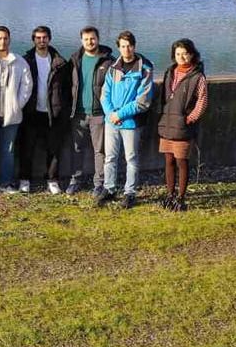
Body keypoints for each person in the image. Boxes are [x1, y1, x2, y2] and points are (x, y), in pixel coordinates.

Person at [98, 31, 155, 209]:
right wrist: (110, 114)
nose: (126, 49)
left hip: (131, 123)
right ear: (118, 47)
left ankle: (130, 192)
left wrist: (119, 115)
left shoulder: (144, 69)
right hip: (111, 121)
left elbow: (142, 102)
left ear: (134, 46)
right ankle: (109, 188)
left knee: (131, 158)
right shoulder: (113, 68)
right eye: (122, 46)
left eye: (129, 45)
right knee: (110, 157)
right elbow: (104, 94)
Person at [0, 26, 34, 194]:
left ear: (9, 40)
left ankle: (6, 183)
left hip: (11, 115)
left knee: (8, 151)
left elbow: (27, 85)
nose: (2, 41)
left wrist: (17, 104)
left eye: (5, 38)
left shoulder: (19, 61)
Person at [157, 39, 208, 211]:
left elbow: (202, 101)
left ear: (192, 54)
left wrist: (189, 119)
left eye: (185, 53)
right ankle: (170, 194)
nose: (182, 57)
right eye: (178, 54)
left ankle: (181, 197)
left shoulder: (198, 76)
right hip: (167, 124)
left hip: (183, 127)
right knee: (168, 161)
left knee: (181, 162)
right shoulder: (169, 72)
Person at [19, 25, 70, 194]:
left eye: (44, 37)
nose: (42, 41)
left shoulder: (59, 62)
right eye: (38, 38)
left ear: (49, 39)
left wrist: (62, 109)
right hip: (31, 112)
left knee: (53, 149)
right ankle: (25, 179)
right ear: (33, 40)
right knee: (27, 148)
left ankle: (52, 180)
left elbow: (67, 88)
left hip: (52, 113)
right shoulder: (27, 60)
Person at [67, 27, 114, 196]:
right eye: (86, 39)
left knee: (99, 150)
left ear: (98, 39)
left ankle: (99, 183)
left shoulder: (108, 62)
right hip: (78, 113)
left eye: (92, 38)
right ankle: (76, 180)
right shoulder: (75, 60)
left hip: (99, 114)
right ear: (81, 41)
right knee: (77, 148)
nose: (90, 42)